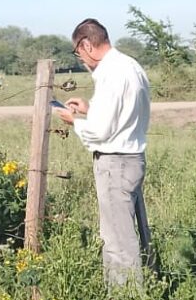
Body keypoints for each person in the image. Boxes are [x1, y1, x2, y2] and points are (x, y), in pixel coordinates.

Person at [54, 19, 153, 285]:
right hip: (132, 157)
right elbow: (123, 114)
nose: (81, 58)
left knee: (118, 240)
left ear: (86, 44)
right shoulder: (130, 65)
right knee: (126, 233)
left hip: (115, 162)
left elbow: (100, 131)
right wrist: (89, 109)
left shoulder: (111, 73)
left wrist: (74, 121)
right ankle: (137, 293)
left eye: (78, 52)